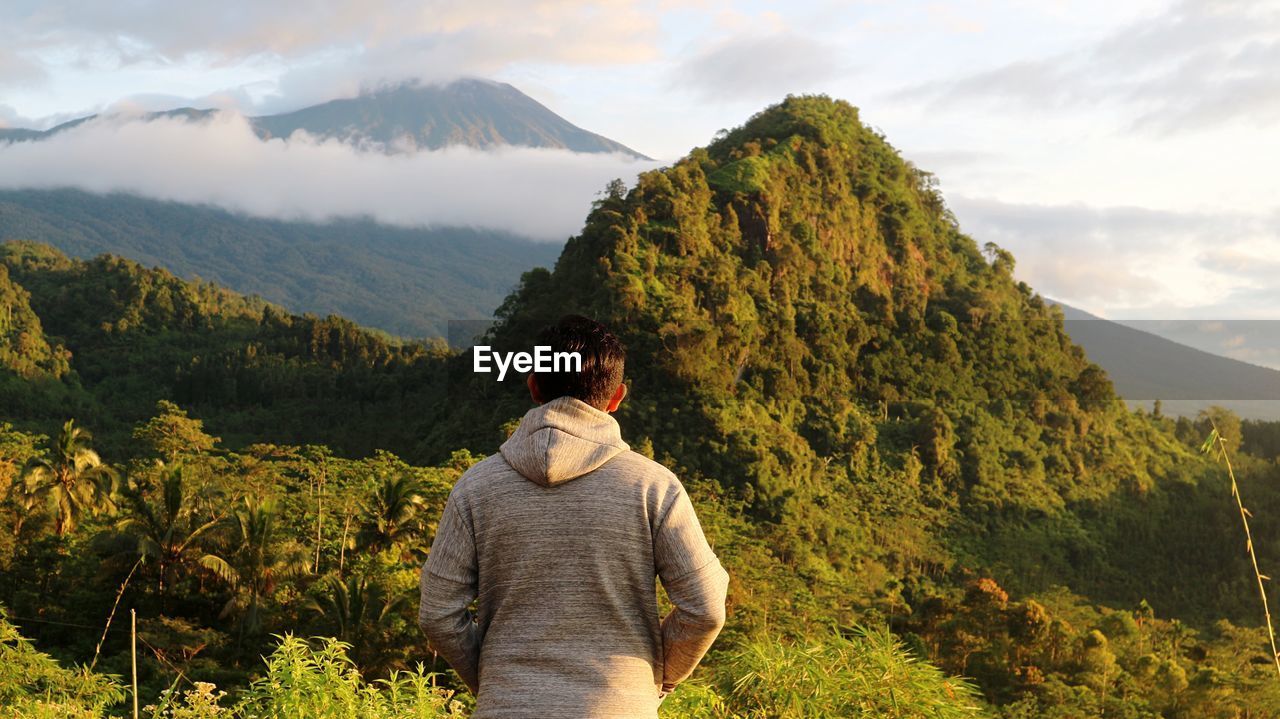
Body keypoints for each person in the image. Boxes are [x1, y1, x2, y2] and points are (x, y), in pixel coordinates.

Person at [419, 314, 729, 718]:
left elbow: (438, 613)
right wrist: (655, 679)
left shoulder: (476, 487)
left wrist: (498, 681)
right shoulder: (654, 486)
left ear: (533, 386)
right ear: (617, 397)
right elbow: (705, 608)